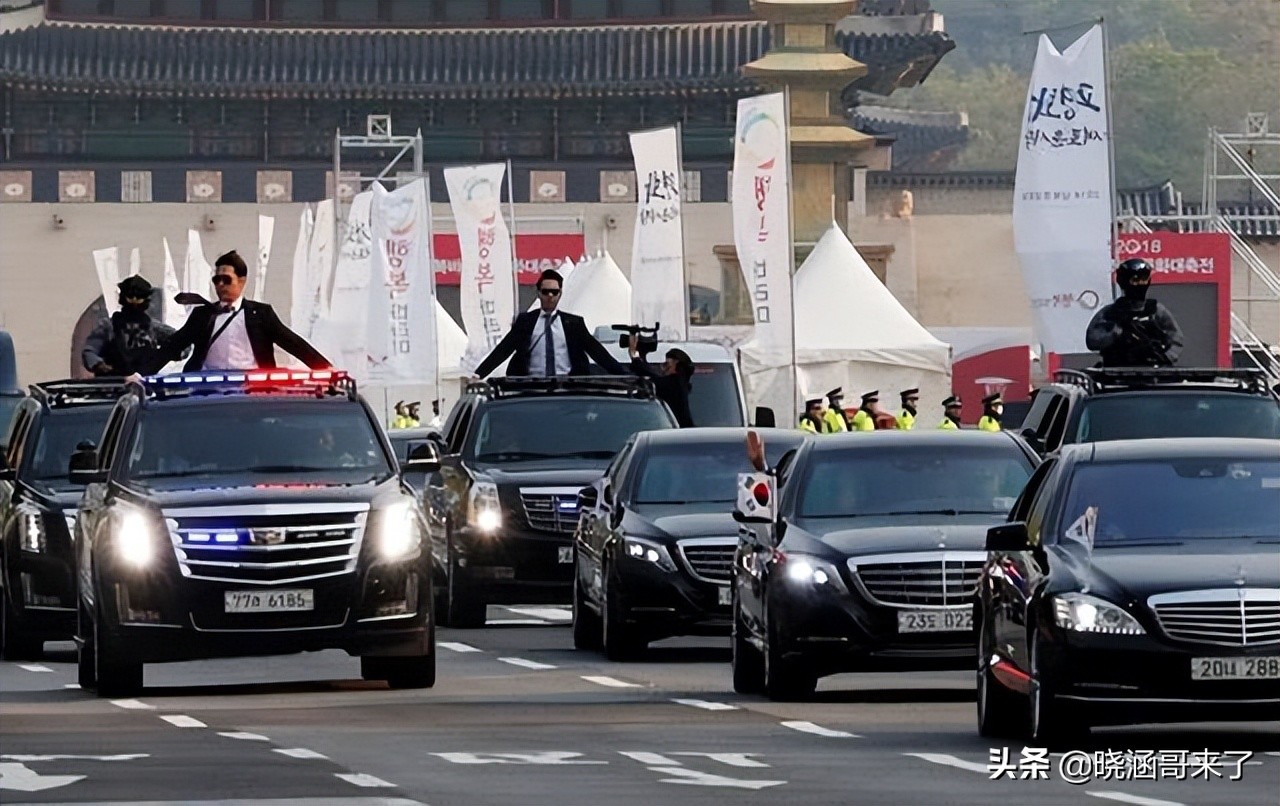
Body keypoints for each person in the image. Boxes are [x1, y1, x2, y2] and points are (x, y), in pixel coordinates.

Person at [142, 250, 330, 374]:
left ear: (242, 280)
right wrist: (140, 374)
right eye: (217, 280)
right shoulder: (203, 315)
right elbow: (173, 345)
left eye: (226, 279)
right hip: (208, 387)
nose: (221, 285)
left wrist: (327, 370)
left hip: (252, 388)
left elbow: (293, 343)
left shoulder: (261, 314)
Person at [473, 269, 626, 378]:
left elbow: (598, 352)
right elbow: (503, 350)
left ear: (560, 293)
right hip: (532, 387)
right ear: (538, 293)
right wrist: (478, 375)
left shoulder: (573, 324)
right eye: (546, 292)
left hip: (567, 387)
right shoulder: (526, 322)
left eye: (555, 292)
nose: (550, 296)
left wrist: (626, 376)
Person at [1085, 258, 1184, 367]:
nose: (1140, 284)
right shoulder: (1110, 313)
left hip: (1154, 372)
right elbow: (1093, 341)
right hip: (1117, 371)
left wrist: (1166, 358)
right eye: (1135, 280)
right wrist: (1115, 333)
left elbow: (1176, 338)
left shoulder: (1156, 311)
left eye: (1144, 279)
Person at [82, 276, 177, 377]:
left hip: (146, 383)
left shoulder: (152, 327)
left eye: (139, 297)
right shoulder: (109, 327)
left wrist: (171, 353)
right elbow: (90, 351)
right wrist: (100, 365)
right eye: (131, 297)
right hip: (115, 384)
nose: (134, 301)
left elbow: (180, 341)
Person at [628, 334, 695, 427]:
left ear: (676, 364)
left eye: (666, 364)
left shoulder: (675, 384)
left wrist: (634, 356)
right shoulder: (680, 384)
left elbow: (654, 379)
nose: (663, 369)